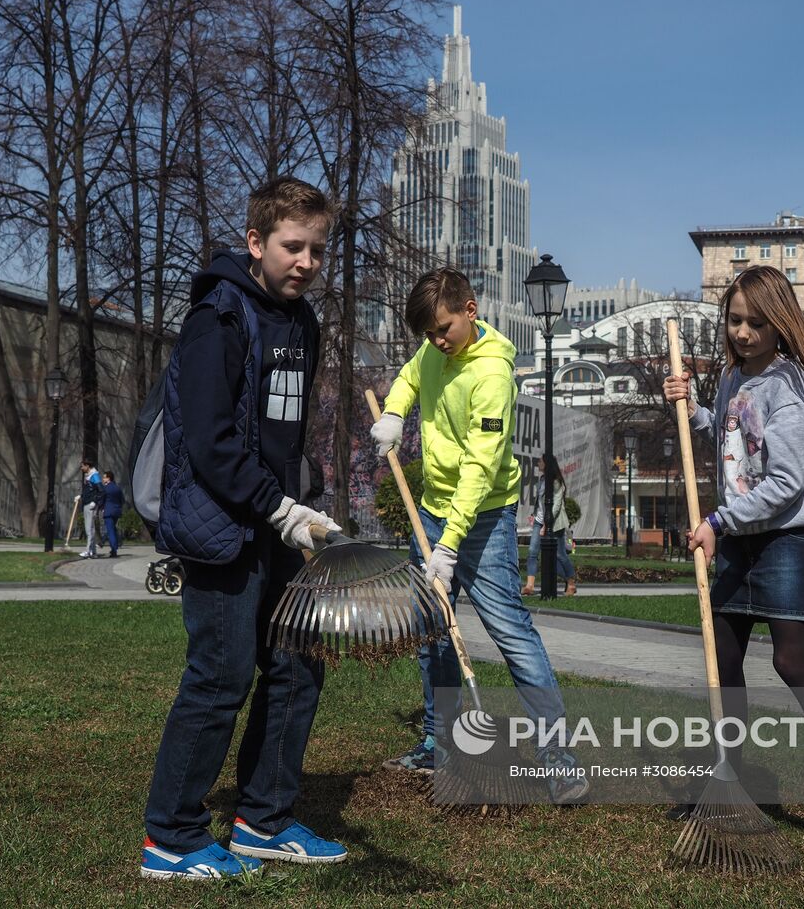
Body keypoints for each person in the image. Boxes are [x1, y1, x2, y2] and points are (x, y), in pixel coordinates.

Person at [141, 177, 345, 882]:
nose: (308, 262)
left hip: (277, 524)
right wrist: (276, 506)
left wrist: (307, 500)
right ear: (256, 243)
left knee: (297, 663)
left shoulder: (305, 323)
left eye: (319, 249)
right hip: (222, 525)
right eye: (294, 247)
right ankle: (170, 835)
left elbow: (284, 436)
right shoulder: (217, 316)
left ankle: (265, 817)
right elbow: (210, 439)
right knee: (220, 675)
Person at [662, 264, 804, 861]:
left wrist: (716, 522)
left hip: (785, 538)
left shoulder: (788, 386)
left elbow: (787, 483)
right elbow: (732, 443)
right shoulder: (734, 376)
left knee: (793, 662)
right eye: (735, 320)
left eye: (756, 323)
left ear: (779, 323)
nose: (742, 332)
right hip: (740, 537)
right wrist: (690, 411)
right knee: (725, 659)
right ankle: (726, 784)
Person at [371, 267, 587, 803]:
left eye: (443, 329)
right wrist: (396, 414)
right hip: (433, 509)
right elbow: (409, 377)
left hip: (483, 515)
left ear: (470, 310)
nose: (437, 342)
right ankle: (437, 742)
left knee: (510, 631)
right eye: (429, 335)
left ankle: (559, 759)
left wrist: (450, 545)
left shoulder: (492, 374)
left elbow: (480, 467)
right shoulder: (434, 350)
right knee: (434, 631)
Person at [522, 454, 577, 597]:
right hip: (539, 521)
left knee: (560, 555)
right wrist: (536, 516)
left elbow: (557, 505)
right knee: (532, 552)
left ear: (547, 464)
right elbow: (539, 502)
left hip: (555, 523)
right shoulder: (541, 480)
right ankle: (530, 586)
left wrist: (547, 524)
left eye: (540, 461)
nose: (538, 463)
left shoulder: (556, 483)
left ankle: (571, 581)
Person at [77, 460, 104, 558]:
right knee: (89, 528)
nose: (81, 468)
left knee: (89, 529)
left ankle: (88, 551)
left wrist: (95, 501)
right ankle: (93, 552)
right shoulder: (88, 476)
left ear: (87, 466)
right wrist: (81, 496)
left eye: (82, 466)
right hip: (86, 503)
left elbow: (101, 491)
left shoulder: (94, 476)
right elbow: (88, 490)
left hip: (91, 505)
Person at [101, 471, 125, 558]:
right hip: (116, 511)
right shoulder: (117, 488)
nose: (103, 479)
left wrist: (101, 508)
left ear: (108, 478)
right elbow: (122, 500)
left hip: (108, 511)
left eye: (104, 477)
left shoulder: (106, 489)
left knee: (110, 531)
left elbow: (102, 499)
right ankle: (113, 545)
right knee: (113, 529)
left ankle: (114, 549)